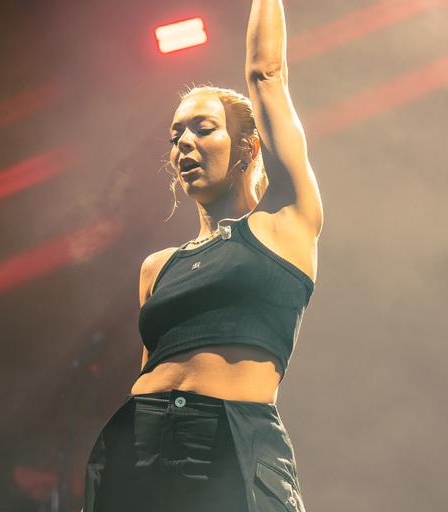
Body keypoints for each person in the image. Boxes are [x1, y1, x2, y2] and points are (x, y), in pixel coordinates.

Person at [83, 0, 322, 510]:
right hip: (137, 445)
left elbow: (267, 73)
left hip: (230, 445)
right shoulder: (157, 267)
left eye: (203, 128)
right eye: (176, 136)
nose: (184, 143)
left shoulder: (284, 224)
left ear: (248, 147)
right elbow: (151, 370)